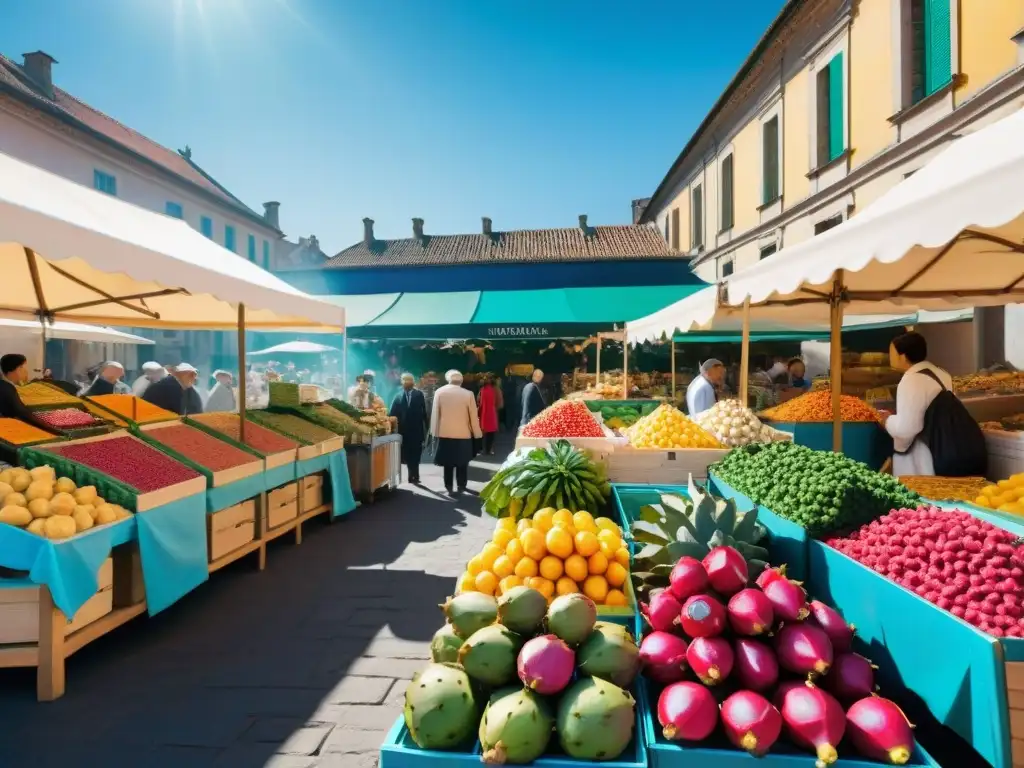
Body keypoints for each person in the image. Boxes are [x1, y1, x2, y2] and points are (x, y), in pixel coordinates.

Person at [880, 332, 953, 476]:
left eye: (892, 353)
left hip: (920, 458)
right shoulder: (942, 374)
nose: (890, 358)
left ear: (902, 356)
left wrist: (887, 420)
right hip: (942, 448)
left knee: (919, 494)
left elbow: (906, 428)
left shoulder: (912, 380)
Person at [430, 369, 482, 495]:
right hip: (463, 434)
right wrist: (477, 434)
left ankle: (448, 485)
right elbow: (473, 417)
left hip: (445, 433)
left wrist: (434, 433)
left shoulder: (439, 392)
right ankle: (461, 484)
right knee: (462, 461)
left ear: (448, 379)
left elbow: (435, 415)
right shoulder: (468, 394)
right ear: (461, 381)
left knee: (448, 462)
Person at [0, 354, 56, 431]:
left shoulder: (5, 385)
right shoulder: (7, 388)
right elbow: (22, 413)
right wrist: (51, 429)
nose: (26, 371)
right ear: (15, 370)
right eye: (22, 367)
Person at [390, 372, 428, 483]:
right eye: (405, 380)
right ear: (402, 382)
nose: (407, 382)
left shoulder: (419, 394)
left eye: (409, 380)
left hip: (417, 429)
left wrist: (428, 428)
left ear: (413, 382)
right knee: (406, 453)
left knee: (416, 452)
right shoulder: (397, 396)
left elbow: (425, 413)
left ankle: (414, 474)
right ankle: (412, 474)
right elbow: (392, 413)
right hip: (404, 430)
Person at [477, 374, 499, 454]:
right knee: (491, 434)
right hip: (492, 413)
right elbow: (498, 402)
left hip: (483, 413)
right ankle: (488, 449)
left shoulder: (482, 390)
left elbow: (479, 402)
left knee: (481, 433)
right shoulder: (495, 390)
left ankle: (480, 448)